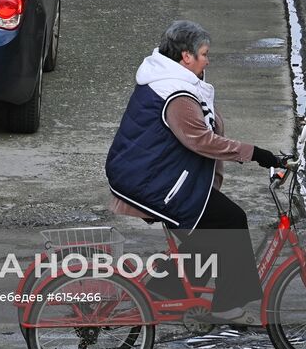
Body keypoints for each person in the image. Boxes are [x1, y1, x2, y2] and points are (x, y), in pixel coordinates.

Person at [105, 20, 283, 328]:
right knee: (230, 221)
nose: (208, 60)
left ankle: (160, 292)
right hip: (151, 181)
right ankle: (227, 306)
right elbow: (201, 140)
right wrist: (256, 153)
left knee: (206, 238)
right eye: (204, 54)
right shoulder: (175, 93)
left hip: (159, 173)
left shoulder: (170, 78)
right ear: (185, 57)